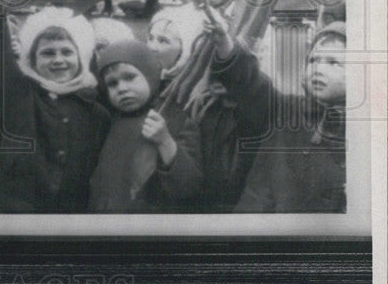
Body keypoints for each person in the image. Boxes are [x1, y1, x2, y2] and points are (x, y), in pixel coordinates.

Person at [208, 13, 347, 213]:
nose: (318, 68)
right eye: (313, 59)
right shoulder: (286, 110)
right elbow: (252, 85)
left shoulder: (366, 135)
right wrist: (226, 47)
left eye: (333, 62)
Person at [0, 5, 111, 213]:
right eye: (48, 53)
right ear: (32, 61)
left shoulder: (97, 112)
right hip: (18, 211)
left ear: (81, 58)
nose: (58, 60)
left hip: (71, 212)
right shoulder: (20, 94)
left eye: (67, 52)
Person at [89, 40, 202, 212]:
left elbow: (189, 186)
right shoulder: (109, 120)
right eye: (112, 83)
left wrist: (164, 141)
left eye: (130, 77)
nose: (122, 88)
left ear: (150, 74)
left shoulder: (174, 118)